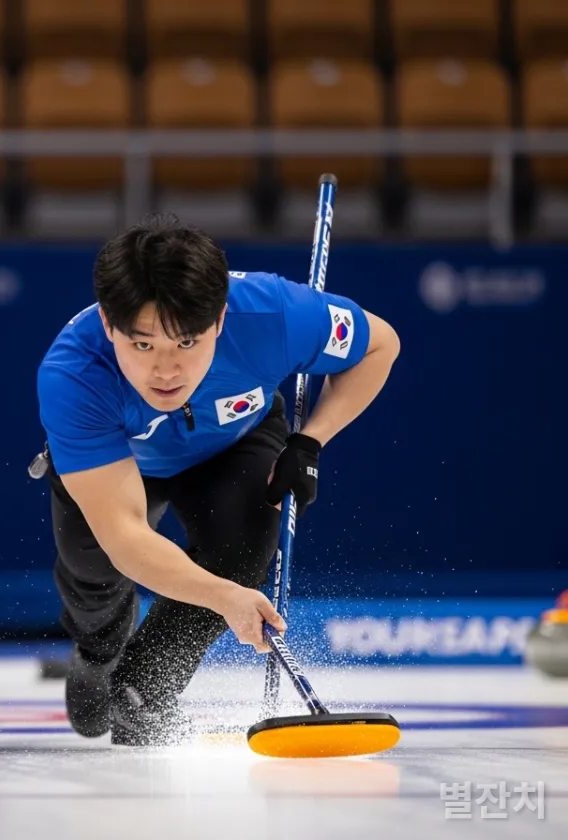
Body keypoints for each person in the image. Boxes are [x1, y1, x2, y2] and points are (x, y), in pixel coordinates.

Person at [34, 213, 400, 746]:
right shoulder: (74, 375)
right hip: (122, 460)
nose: (166, 371)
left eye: (187, 343)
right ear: (110, 326)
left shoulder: (275, 314)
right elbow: (127, 538)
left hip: (235, 440)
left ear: (221, 319)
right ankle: (97, 649)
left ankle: (144, 692)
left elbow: (378, 345)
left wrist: (312, 438)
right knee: (94, 570)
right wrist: (225, 599)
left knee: (246, 543)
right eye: (142, 346)